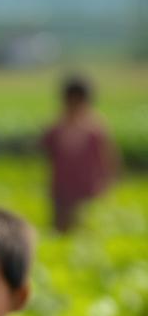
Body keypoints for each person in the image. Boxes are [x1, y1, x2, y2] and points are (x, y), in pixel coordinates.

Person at [41, 75, 118, 232]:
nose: (74, 106)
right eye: (70, 101)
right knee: (59, 226)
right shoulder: (56, 128)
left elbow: (106, 159)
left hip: (85, 189)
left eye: (78, 101)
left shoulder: (95, 129)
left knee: (83, 227)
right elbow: (46, 154)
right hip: (61, 188)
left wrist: (106, 183)